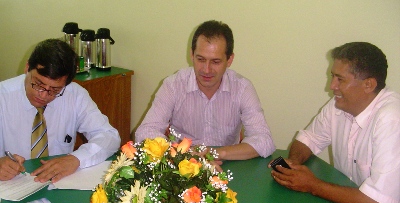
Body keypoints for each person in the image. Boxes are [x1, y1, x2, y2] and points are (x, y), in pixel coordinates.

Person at [270, 42, 400, 203]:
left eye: (340, 79)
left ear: (368, 84)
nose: (331, 86)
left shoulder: (391, 119)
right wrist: (293, 164)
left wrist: (312, 185)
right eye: (332, 77)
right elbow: (308, 139)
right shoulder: (338, 105)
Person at [135, 20, 275, 167]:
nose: (206, 70)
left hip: (226, 165)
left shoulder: (242, 88)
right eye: (200, 59)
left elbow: (264, 140)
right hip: (179, 165)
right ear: (191, 54)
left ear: (229, 60)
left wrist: (215, 153)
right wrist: (183, 154)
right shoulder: (173, 85)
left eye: (215, 62)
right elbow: (145, 132)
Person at [0, 39, 120, 183]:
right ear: (27, 68)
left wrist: (76, 159)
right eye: (38, 84)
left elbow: (109, 136)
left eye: (55, 90)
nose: (43, 95)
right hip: (11, 185)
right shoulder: (3, 96)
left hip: (58, 183)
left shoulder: (75, 95)